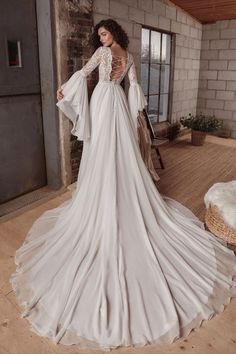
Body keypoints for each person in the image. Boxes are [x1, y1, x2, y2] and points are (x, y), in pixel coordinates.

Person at [10, 19, 236, 351]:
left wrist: (64, 89)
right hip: (117, 105)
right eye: (99, 35)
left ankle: (105, 196)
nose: (101, 38)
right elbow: (134, 90)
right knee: (118, 153)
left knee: (103, 151)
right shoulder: (128, 56)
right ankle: (114, 192)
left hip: (104, 103)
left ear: (113, 32)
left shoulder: (103, 54)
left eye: (104, 33)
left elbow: (85, 73)